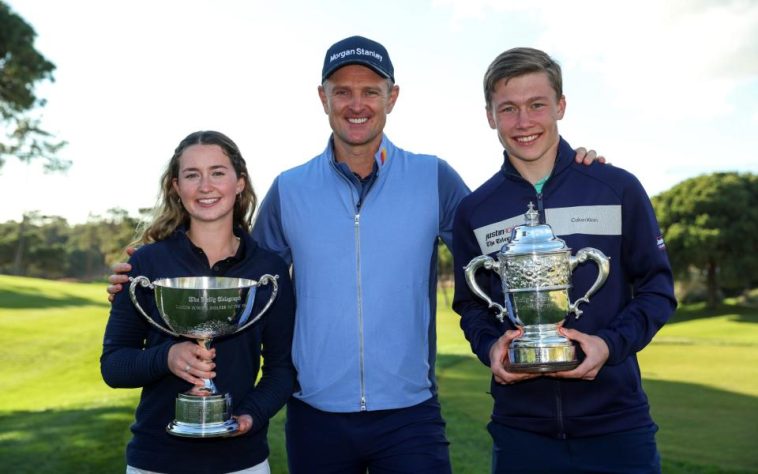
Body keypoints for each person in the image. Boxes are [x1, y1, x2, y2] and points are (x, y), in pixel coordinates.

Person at [107, 37, 601, 473]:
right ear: (323, 98)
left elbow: (508, 242)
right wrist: (148, 275)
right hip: (314, 414)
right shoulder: (290, 188)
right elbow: (240, 272)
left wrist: (571, 171)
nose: (356, 103)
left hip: (411, 414)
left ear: (393, 97)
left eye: (370, 90)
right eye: (342, 91)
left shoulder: (434, 177)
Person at [452, 47, 677, 473]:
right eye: (508, 109)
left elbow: (657, 290)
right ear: (489, 116)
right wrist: (490, 349)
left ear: (560, 105)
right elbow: (471, 306)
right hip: (521, 432)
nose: (524, 122)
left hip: (617, 426)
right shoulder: (475, 210)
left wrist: (608, 345)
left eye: (537, 104)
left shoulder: (615, 187)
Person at [101, 130, 296, 474]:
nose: (206, 186)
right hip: (156, 460)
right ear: (177, 187)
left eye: (218, 172)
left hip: (243, 461)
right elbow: (114, 366)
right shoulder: (146, 265)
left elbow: (282, 369)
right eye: (192, 175)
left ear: (239, 183)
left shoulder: (269, 270)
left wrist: (250, 414)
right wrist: (168, 356)